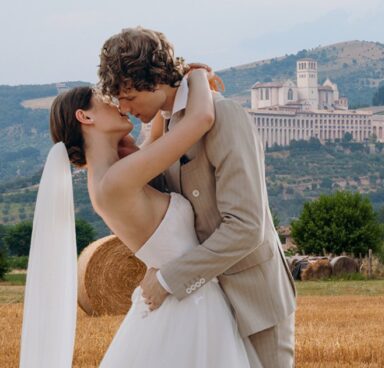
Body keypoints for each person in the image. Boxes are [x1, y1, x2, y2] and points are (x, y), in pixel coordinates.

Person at [98, 27, 296, 367]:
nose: (125, 108)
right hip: (203, 305)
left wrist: (168, 279)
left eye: (128, 96)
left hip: (254, 302)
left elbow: (247, 227)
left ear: (156, 80)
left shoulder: (225, 116)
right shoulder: (168, 127)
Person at [46, 69, 256, 367]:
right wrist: (196, 75)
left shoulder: (113, 174)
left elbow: (157, 132)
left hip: (187, 296)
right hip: (189, 307)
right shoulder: (115, 180)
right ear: (85, 117)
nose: (119, 104)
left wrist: (170, 82)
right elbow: (200, 120)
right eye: (105, 100)